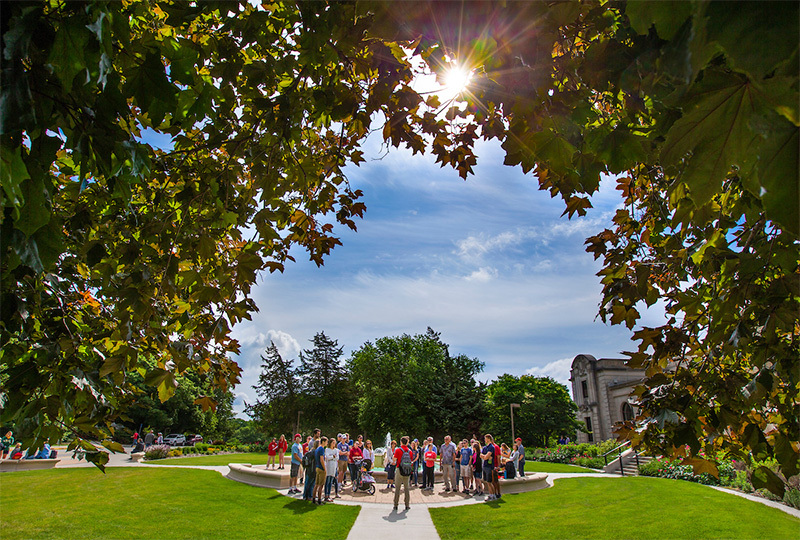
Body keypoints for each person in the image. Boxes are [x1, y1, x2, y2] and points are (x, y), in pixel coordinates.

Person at [393, 436, 412, 511]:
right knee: (406, 488)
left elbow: (394, 459)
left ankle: (395, 505)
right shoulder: (410, 451)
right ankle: (407, 505)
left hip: (399, 470)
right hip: (407, 471)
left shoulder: (398, 450)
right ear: (407, 442)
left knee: (397, 488)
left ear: (401, 442)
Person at [302, 428, 321, 501]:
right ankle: (305, 496)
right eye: (318, 434)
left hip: (314, 467)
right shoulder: (311, 444)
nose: (319, 435)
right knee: (308, 482)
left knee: (313, 482)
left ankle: (311, 495)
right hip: (311, 467)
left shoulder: (316, 446)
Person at [480, 434, 497, 500]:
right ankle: (491, 494)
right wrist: (485, 457)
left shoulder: (491, 447)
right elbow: (481, 455)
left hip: (489, 466)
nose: (485, 440)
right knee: (487, 481)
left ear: (488, 439)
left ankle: (493, 495)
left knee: (489, 482)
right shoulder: (485, 447)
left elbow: (486, 457)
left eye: (485, 438)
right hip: (485, 465)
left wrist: (485, 457)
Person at [313, 436, 328, 504]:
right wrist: (325, 469)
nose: (327, 443)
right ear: (323, 442)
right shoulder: (321, 449)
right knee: (321, 485)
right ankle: (319, 500)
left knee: (316, 484)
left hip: (317, 467)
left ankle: (313, 499)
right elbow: (321, 459)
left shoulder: (317, 449)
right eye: (326, 442)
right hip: (321, 468)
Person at [324, 437, 339, 502]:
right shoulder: (327, 449)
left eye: (334, 443)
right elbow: (327, 457)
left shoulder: (336, 450)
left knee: (331, 481)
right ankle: (326, 495)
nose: (334, 444)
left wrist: (333, 457)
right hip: (328, 466)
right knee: (327, 481)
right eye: (333, 443)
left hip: (334, 466)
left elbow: (337, 458)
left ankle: (329, 494)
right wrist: (332, 457)